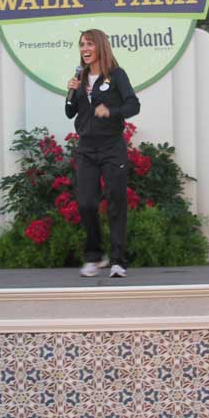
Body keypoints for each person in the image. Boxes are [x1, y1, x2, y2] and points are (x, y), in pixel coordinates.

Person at [65, 29, 140, 278]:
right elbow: (70, 113)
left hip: (111, 147)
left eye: (88, 44)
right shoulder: (81, 77)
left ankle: (118, 261)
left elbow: (133, 105)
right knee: (86, 203)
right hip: (86, 148)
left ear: (99, 47)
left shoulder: (116, 75)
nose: (84, 49)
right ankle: (95, 256)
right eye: (81, 45)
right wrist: (72, 92)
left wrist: (111, 111)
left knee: (116, 203)